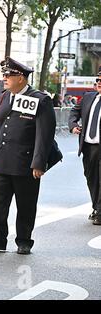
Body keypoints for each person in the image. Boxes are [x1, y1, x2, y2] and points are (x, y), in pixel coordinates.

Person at [0, 57, 56, 254]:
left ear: (20, 78)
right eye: (3, 75)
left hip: (25, 161)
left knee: (26, 204)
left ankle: (24, 240)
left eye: (8, 75)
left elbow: (44, 134)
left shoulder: (40, 99)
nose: (4, 78)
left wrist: (39, 163)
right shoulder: (4, 96)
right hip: (2, 159)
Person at [68, 66, 101, 226]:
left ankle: (100, 211)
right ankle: (97, 206)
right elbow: (74, 112)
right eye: (98, 80)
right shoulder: (88, 97)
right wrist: (73, 125)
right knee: (91, 178)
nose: (99, 83)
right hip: (89, 147)